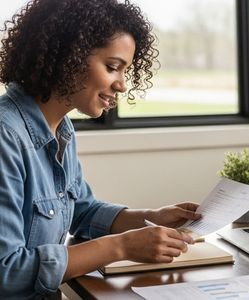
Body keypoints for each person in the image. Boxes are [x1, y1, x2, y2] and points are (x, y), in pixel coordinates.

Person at [0, 0, 201, 298]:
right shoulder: (6, 136)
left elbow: (82, 210)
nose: (122, 85)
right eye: (112, 67)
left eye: (125, 71)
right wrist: (121, 246)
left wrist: (151, 217)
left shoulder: (61, 128)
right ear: (69, 56)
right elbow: (7, 271)